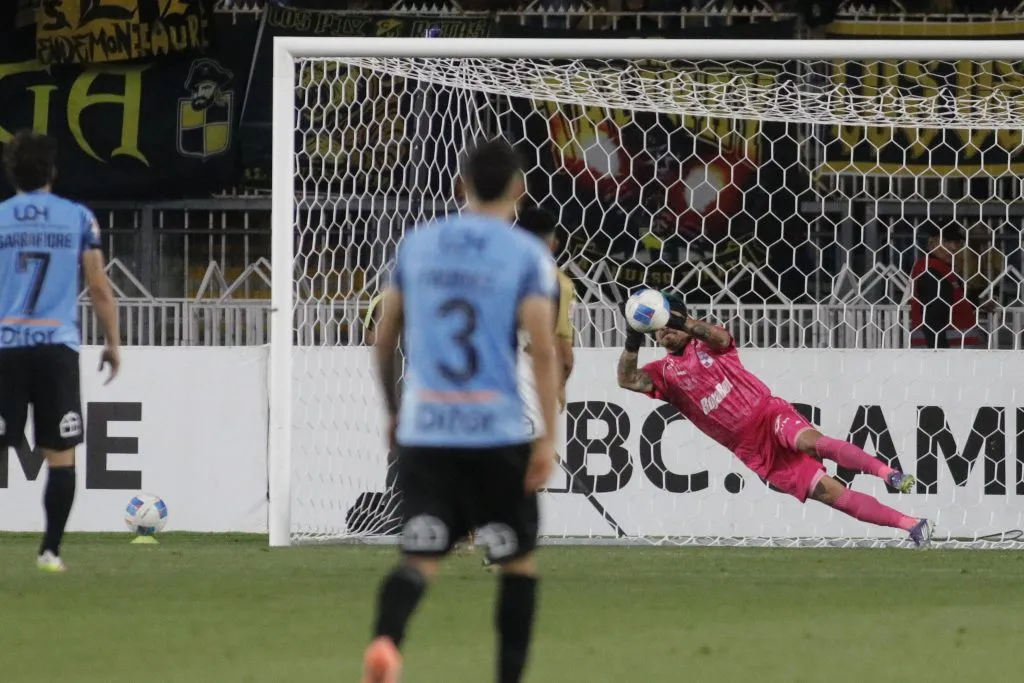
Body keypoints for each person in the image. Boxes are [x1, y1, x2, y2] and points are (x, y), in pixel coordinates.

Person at [364, 137, 560, 683]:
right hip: (495, 432)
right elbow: (542, 348)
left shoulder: (417, 245)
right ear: (519, 191)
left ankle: (386, 642)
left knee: (419, 558)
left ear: (460, 186)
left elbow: (385, 339)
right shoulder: (527, 255)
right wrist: (546, 437)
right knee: (516, 564)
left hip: (428, 431)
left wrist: (393, 411)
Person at [615, 292, 933, 548]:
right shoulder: (664, 374)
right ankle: (912, 525)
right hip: (754, 451)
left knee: (810, 440)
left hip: (768, 414)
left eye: (669, 323)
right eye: (658, 328)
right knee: (832, 495)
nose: (664, 331)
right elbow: (627, 380)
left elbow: (718, 337)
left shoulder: (709, 344)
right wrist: (632, 338)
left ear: (682, 321)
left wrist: (674, 318)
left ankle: (888, 473)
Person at [0, 130, 120, 572]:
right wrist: (112, 342)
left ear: (11, 173)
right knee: (61, 455)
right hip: (55, 348)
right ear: (52, 170)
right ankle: (50, 551)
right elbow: (99, 287)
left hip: (5, 348)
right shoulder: (78, 218)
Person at [909, 222, 985, 349]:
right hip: (948, 353)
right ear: (932, 242)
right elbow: (933, 317)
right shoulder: (931, 270)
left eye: (956, 242)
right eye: (946, 241)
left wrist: (977, 302)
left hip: (954, 352)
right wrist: (940, 355)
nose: (953, 247)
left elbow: (950, 303)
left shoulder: (941, 268)